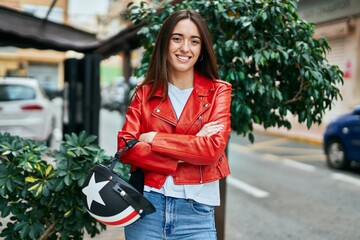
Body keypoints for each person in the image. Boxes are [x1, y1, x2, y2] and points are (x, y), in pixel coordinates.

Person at [117, 9, 232, 240]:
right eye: (177, 39)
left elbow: (211, 151)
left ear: (201, 49)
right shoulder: (144, 93)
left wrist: (153, 139)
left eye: (194, 41)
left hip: (196, 215)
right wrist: (190, 147)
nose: (185, 48)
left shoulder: (218, 91)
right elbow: (126, 147)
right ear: (165, 44)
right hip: (147, 208)